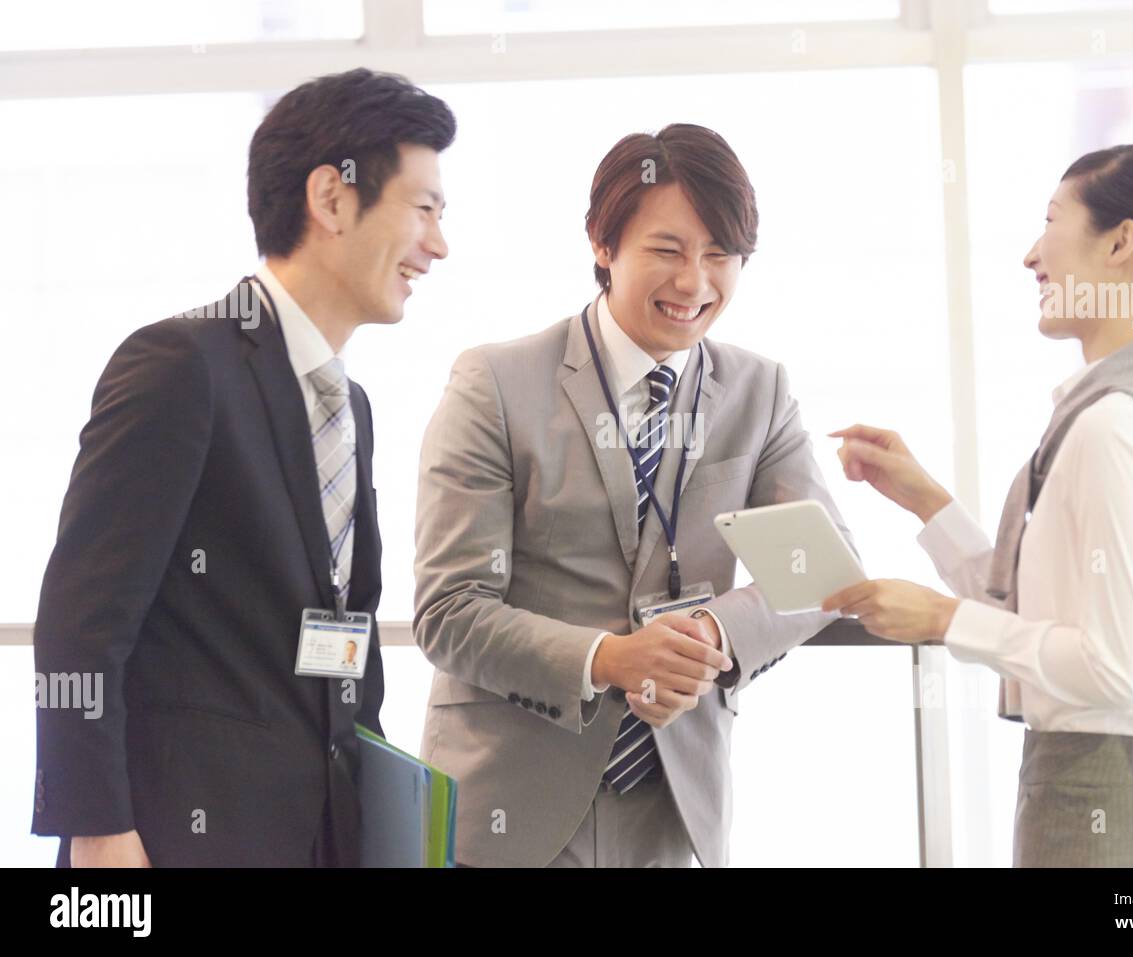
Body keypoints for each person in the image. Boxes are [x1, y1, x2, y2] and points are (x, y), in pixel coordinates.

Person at [31, 68, 455, 867]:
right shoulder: (180, 364)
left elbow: (339, 636)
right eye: (424, 207)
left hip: (316, 834)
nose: (438, 244)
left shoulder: (348, 402)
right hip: (166, 841)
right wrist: (96, 831)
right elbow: (82, 621)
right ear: (332, 198)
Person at [413, 123, 853, 867]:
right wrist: (610, 657)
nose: (695, 282)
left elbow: (818, 572)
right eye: (668, 250)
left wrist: (709, 636)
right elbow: (449, 610)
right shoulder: (496, 384)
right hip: (509, 811)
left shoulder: (758, 389)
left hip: (670, 809)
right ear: (601, 242)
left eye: (720, 255)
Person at [824, 143, 1133, 867]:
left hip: (1104, 809)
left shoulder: (1112, 424)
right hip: (1098, 797)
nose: (1031, 256)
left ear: (1122, 242)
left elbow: (1111, 668)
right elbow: (1052, 618)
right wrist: (926, 501)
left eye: (1051, 221)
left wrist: (944, 619)